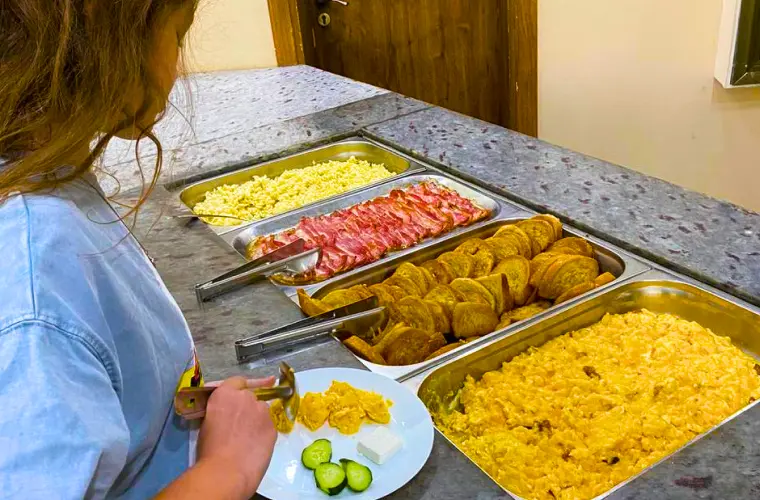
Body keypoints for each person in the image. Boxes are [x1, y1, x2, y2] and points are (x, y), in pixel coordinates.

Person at [0, 1, 277, 498]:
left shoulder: (42, 172)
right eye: (179, 31)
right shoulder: (33, 285)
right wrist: (227, 467)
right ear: (115, 35)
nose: (180, 66)